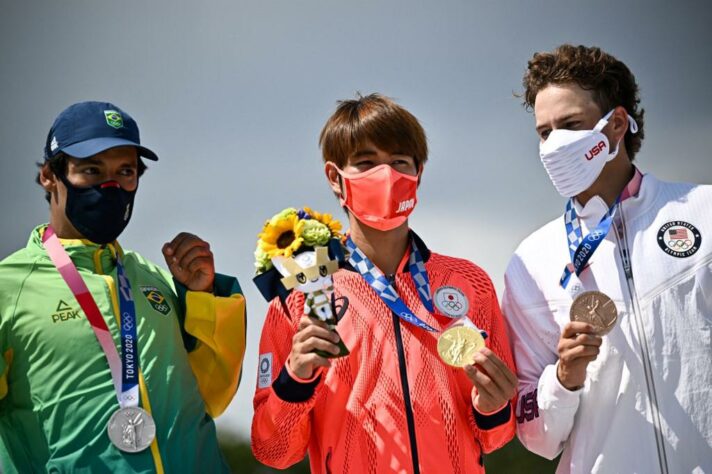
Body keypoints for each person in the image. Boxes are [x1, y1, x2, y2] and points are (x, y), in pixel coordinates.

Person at [251, 93, 517, 473]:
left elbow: (497, 435)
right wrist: (294, 380)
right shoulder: (299, 293)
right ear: (335, 178)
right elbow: (273, 451)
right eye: (366, 163)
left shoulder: (469, 282)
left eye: (399, 162)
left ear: (418, 174)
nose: (386, 175)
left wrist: (492, 409)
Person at [0, 101, 247, 473]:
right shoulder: (9, 288)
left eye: (125, 171)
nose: (110, 186)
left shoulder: (157, 282)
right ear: (50, 176)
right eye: (91, 170)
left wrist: (203, 297)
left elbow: (212, 395)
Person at [503, 44, 712, 473]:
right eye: (545, 132)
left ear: (616, 125)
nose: (554, 144)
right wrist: (563, 379)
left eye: (570, 124)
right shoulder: (530, 263)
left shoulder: (703, 213)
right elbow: (537, 439)